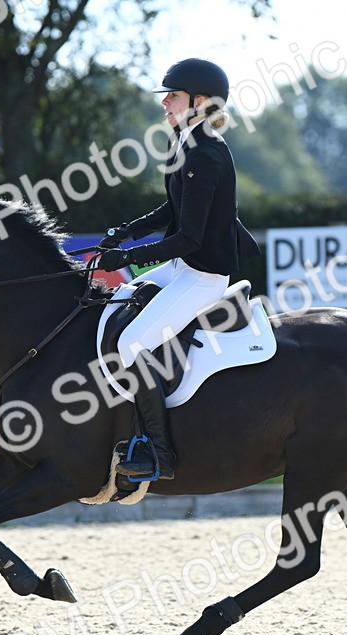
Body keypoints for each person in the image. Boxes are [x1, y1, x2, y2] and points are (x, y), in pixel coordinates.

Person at [95, 57, 260, 481]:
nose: (165, 103)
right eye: (166, 96)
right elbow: (173, 207)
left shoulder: (205, 153)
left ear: (200, 101)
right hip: (182, 266)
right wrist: (126, 232)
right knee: (116, 304)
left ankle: (159, 451)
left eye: (173, 96)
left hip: (203, 276)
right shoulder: (186, 142)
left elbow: (189, 238)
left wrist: (125, 259)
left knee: (132, 343)